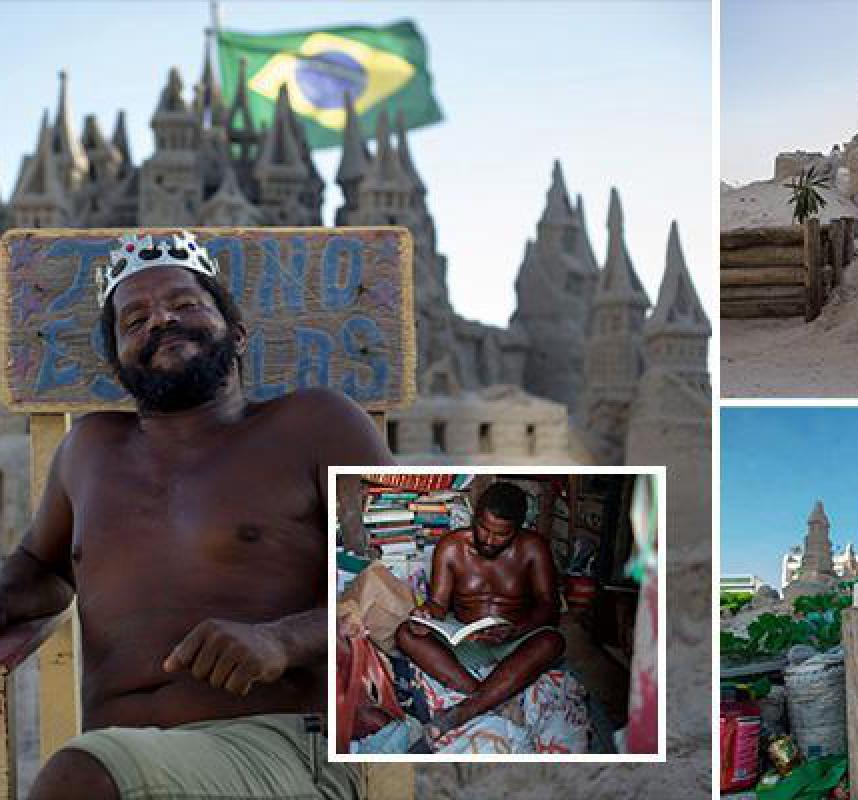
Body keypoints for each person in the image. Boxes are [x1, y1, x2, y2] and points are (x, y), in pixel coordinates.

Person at [3, 230, 394, 800]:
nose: (160, 320)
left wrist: (284, 641)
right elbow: (40, 569)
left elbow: (408, 585)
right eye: (134, 320)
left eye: (184, 304)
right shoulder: (87, 450)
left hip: (277, 752)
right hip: (123, 759)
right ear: (119, 364)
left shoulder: (314, 424)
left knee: (78, 775)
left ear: (236, 335)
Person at [394, 481, 564, 743]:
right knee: (406, 633)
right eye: (483, 528)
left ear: (518, 530)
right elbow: (438, 603)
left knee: (552, 641)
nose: (488, 539)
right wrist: (425, 614)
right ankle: (489, 699)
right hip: (465, 640)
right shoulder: (451, 546)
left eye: (500, 535)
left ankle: (465, 710)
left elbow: (549, 607)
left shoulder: (533, 548)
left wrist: (516, 631)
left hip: (514, 642)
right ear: (475, 517)